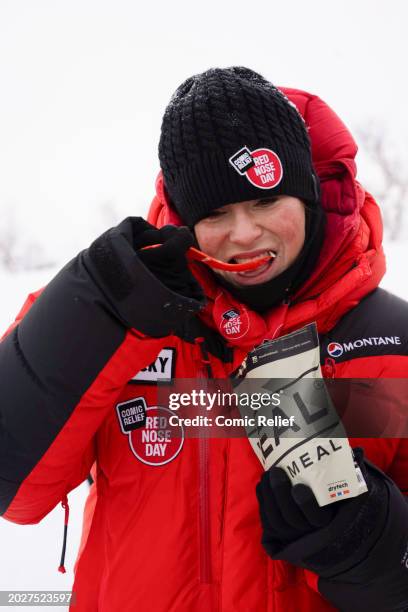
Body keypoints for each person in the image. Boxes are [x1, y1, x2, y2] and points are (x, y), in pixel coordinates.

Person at [0, 67, 407, 612]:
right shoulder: (120, 322)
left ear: (308, 195)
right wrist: (89, 310)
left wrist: (375, 546)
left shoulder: (389, 344)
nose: (243, 233)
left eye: (265, 202)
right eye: (215, 213)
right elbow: (18, 493)